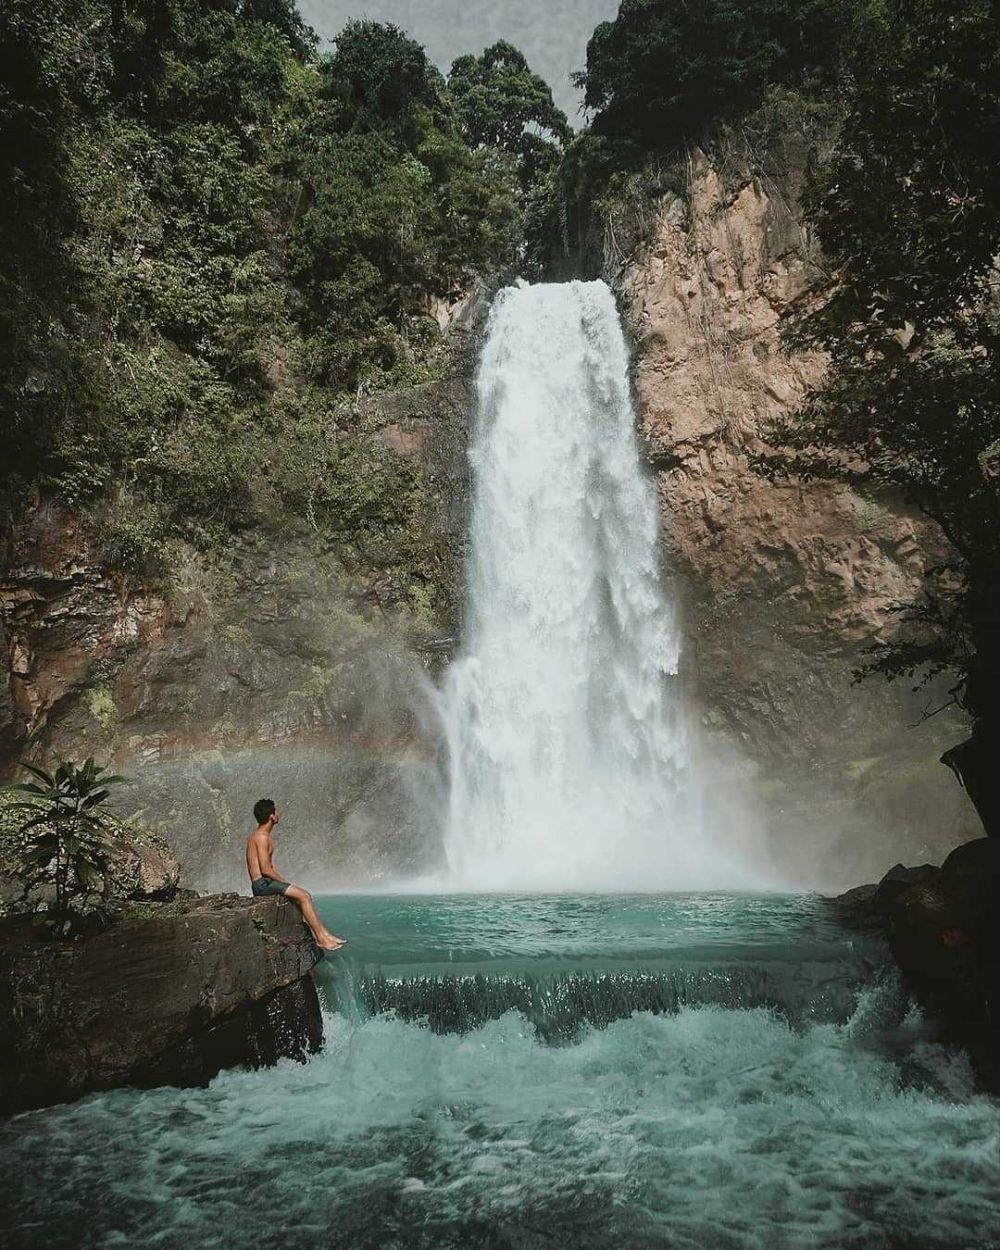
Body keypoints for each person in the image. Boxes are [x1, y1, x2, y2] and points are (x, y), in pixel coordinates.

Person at [246, 799, 346, 952]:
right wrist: (284, 883)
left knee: (302, 896)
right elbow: (265, 869)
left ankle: (325, 934)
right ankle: (321, 939)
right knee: (304, 896)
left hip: (264, 882)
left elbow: (269, 868)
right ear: (272, 816)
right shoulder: (262, 837)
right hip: (262, 884)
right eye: (276, 811)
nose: (278, 813)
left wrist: (284, 885)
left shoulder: (261, 835)